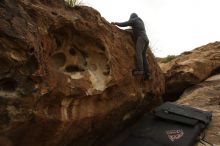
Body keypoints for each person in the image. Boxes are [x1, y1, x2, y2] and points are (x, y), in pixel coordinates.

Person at [112, 13, 150, 80]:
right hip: (146, 39)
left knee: (138, 53)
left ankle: (140, 70)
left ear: (132, 17)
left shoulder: (134, 20)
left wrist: (116, 23)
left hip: (141, 38)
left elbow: (125, 23)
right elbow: (136, 30)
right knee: (143, 55)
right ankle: (148, 73)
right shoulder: (140, 21)